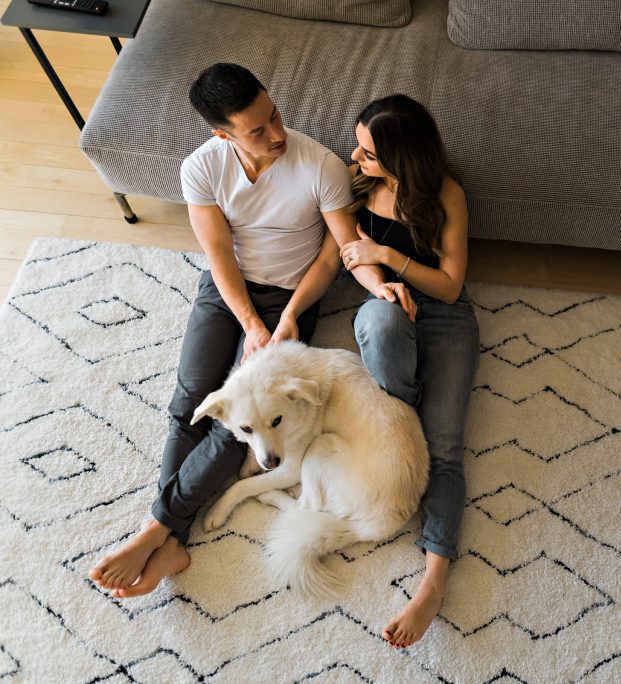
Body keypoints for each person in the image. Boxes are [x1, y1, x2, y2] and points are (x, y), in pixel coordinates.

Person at [88, 64, 414, 598]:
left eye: (275, 116)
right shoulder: (201, 168)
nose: (277, 134)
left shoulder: (320, 166)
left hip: (293, 297)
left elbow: (337, 255)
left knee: (238, 420)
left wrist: (297, 317)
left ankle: (159, 530)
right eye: (258, 130)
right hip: (229, 292)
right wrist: (249, 325)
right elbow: (218, 256)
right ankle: (168, 537)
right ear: (223, 134)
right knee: (193, 398)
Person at [334, 94, 478, 648]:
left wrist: (391, 257)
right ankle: (406, 407)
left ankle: (433, 582)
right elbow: (347, 254)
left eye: (368, 152)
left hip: (444, 317)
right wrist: (382, 281)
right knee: (381, 321)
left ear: (401, 156)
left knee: (444, 449)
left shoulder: (446, 194)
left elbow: (449, 285)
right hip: (386, 305)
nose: (356, 155)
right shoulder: (358, 185)